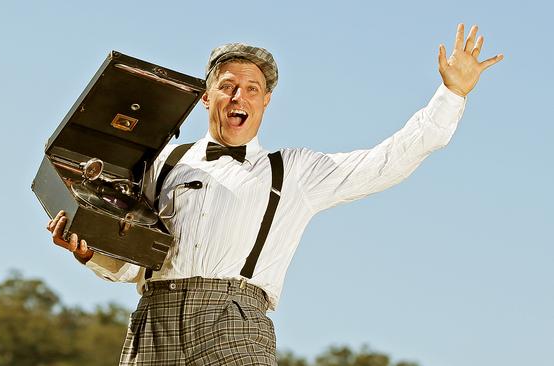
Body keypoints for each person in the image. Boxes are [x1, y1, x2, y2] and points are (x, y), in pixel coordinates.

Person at [46, 24, 502, 365]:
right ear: (206, 97)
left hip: (234, 324)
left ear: (265, 102)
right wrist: (91, 254)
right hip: (153, 321)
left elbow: (388, 160)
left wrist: (451, 94)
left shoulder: (293, 171)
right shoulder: (164, 162)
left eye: (251, 89)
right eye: (226, 87)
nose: (237, 96)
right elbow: (133, 260)